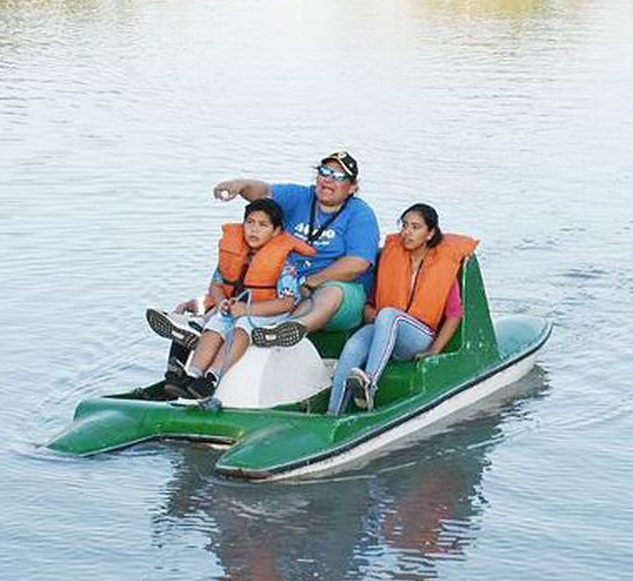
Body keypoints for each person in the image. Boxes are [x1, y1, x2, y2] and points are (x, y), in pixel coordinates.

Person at [208, 151, 380, 348]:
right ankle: (211, 324)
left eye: (338, 177)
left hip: (337, 293)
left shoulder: (361, 214)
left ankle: (289, 329)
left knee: (332, 292)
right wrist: (240, 185)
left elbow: (358, 263)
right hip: (289, 286)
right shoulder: (301, 197)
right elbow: (264, 193)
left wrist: (312, 282)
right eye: (324, 172)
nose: (328, 180)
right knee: (239, 262)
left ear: (352, 188)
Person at [149, 198, 314, 399]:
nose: (254, 230)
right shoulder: (234, 254)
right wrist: (221, 303)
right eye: (250, 223)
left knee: (242, 326)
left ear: (276, 231)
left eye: (263, 225)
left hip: (265, 312)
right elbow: (216, 285)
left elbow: (287, 302)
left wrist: (247, 310)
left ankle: (212, 377)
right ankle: (192, 374)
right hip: (233, 308)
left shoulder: (284, 264)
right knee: (217, 322)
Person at [328, 204, 474, 414]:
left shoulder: (442, 264)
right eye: (404, 225)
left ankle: (370, 384)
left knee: (390, 316)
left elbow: (454, 315)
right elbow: (372, 300)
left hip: (417, 337)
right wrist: (368, 311)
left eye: (415, 227)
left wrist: (434, 350)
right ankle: (333, 413)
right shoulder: (392, 257)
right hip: (385, 333)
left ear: (430, 233)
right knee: (353, 346)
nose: (407, 232)